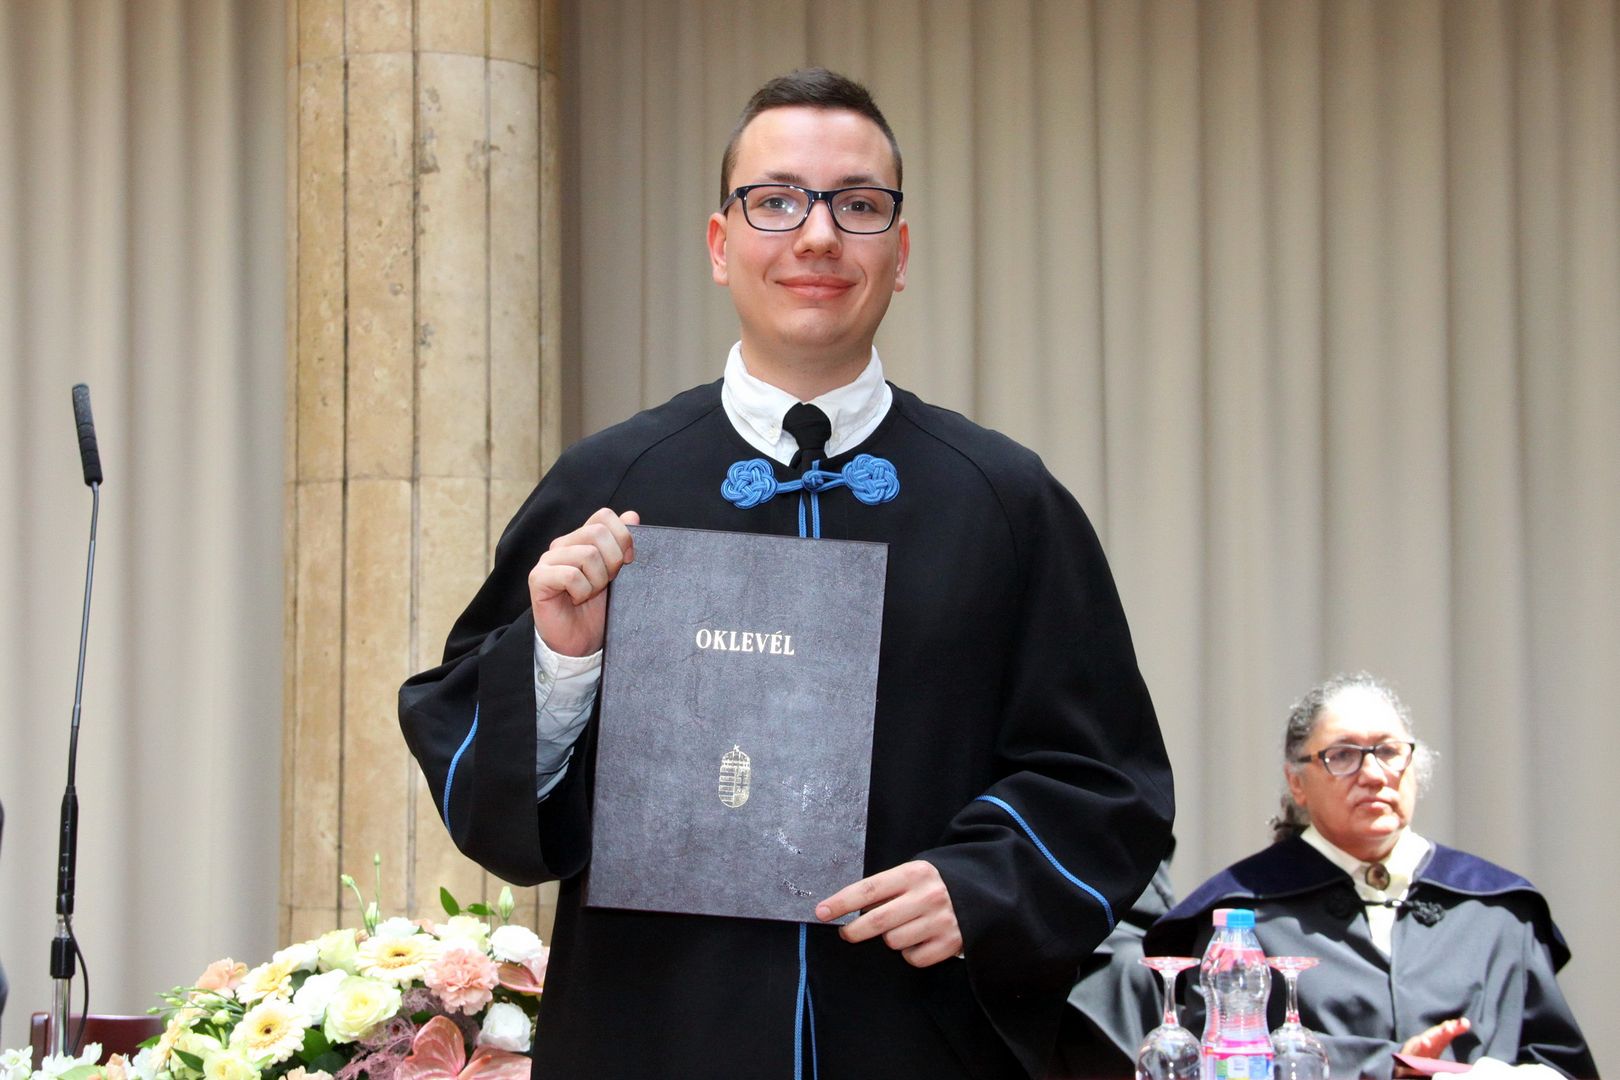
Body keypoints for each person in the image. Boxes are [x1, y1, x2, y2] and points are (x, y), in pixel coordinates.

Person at [401, 68, 1174, 1078]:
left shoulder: (1004, 501)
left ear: (901, 252)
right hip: (658, 1036)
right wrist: (560, 662)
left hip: (920, 1042)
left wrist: (984, 884)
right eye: (775, 201)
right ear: (721, 245)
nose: (817, 237)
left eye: (858, 205)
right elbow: (480, 777)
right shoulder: (610, 484)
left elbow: (1109, 781)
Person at [1144, 673, 1595, 1079]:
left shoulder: (1497, 912)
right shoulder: (1242, 919)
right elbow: (1209, 1062)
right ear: (1296, 782)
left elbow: (1560, 1065)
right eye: (1342, 755)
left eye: (1389, 752)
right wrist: (1388, 1067)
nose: (1374, 775)